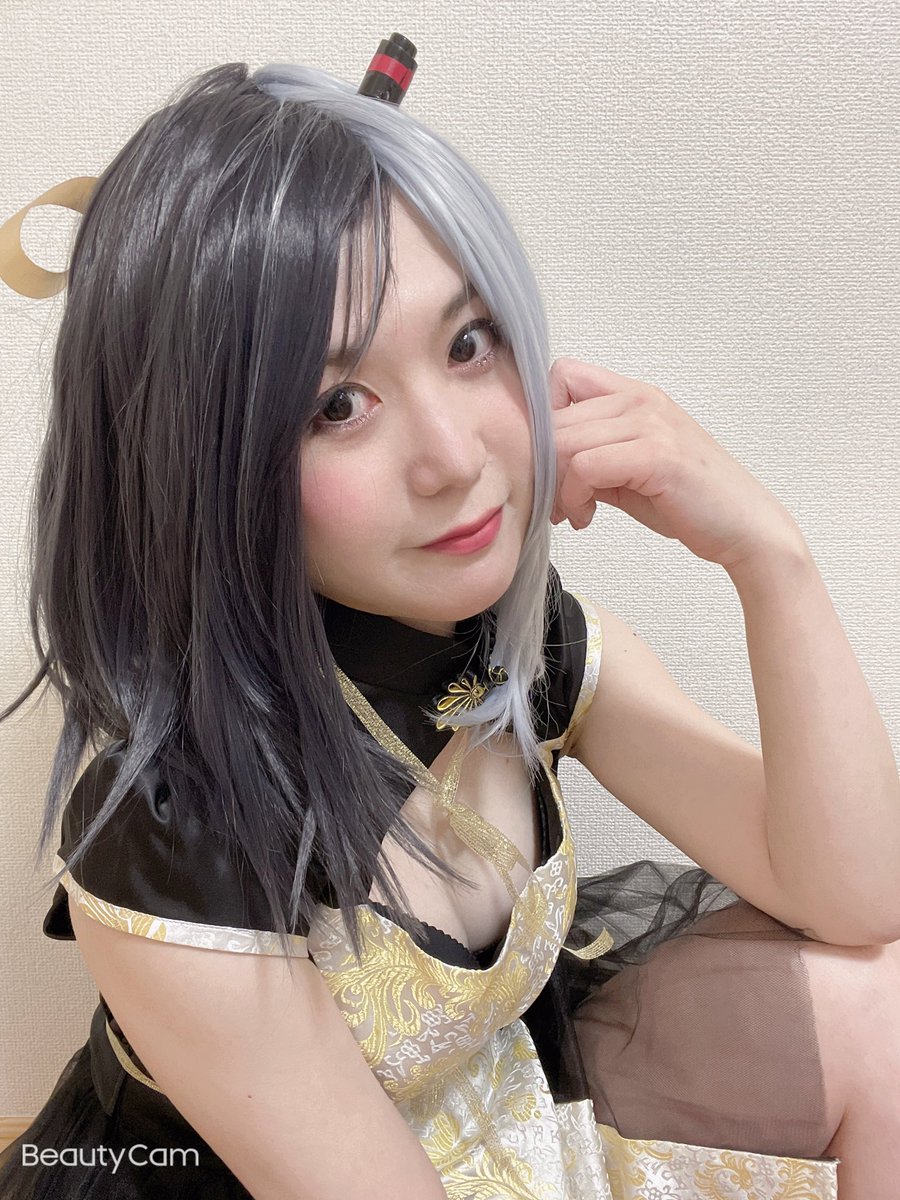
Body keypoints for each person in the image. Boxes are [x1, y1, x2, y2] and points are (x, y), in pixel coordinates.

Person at [0, 42, 897, 1200]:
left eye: (469, 343)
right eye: (338, 404)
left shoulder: (522, 648)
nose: (455, 456)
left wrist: (769, 559)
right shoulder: (180, 844)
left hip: (487, 1104)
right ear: (202, 470)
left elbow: (856, 899)